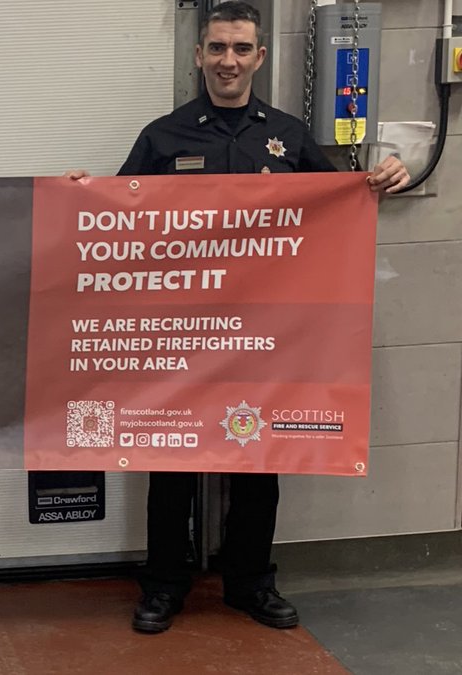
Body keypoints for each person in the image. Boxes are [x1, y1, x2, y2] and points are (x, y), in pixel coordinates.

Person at [68, 1, 409, 635]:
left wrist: (385, 176)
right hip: (180, 335)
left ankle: (250, 582)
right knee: (168, 459)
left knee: (258, 457)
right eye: (218, 48)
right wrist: (78, 198)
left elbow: (340, 204)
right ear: (199, 56)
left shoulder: (288, 134)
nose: (228, 60)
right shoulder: (163, 136)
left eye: (241, 49)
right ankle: (165, 583)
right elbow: (116, 219)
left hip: (263, 339)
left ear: (258, 56)